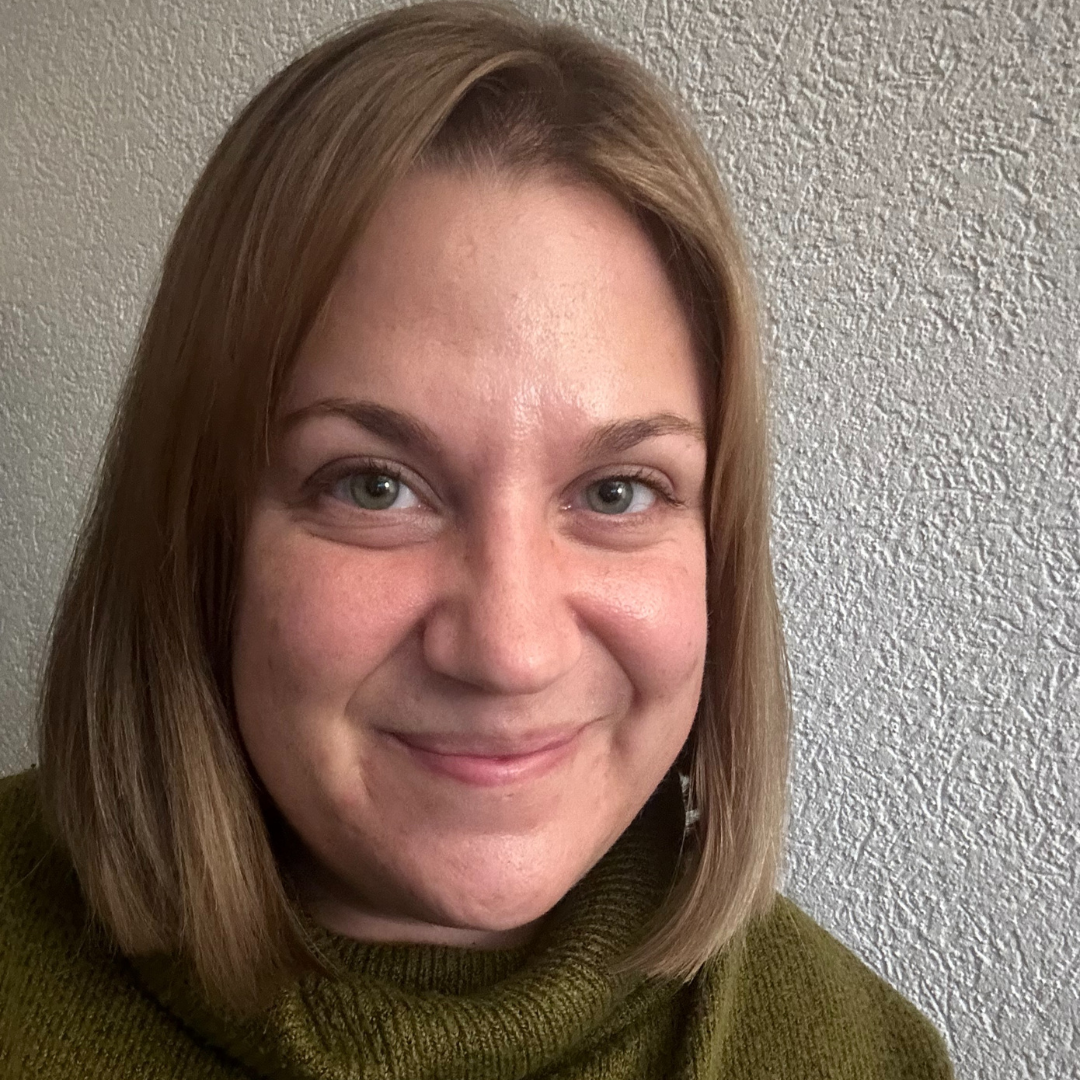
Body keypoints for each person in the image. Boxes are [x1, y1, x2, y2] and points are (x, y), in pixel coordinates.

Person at [0, 2, 953, 1076]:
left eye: (618, 492)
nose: (509, 652)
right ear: (196, 537)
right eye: (374, 486)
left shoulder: (865, 1054)